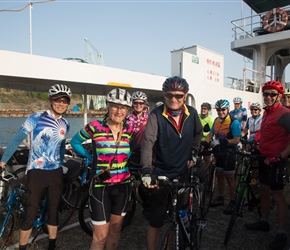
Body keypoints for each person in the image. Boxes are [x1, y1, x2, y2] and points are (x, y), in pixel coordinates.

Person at [0, 84, 72, 250]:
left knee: (53, 213)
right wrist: (2, 162)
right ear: (50, 100)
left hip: (55, 173)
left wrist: (60, 163)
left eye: (64, 101)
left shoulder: (65, 123)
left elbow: (61, 146)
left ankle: (52, 246)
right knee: (29, 215)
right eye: (57, 100)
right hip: (36, 173)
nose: (61, 103)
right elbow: (17, 139)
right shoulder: (36, 117)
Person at [140, 76, 203, 250]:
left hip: (183, 171)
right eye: (169, 96)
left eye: (178, 96)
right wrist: (146, 170)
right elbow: (148, 143)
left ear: (185, 95)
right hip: (161, 173)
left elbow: (198, 134)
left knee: (179, 213)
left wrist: (193, 153)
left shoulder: (192, 114)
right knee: (156, 220)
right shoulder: (156, 115)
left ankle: (177, 239)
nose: (173, 99)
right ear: (164, 95)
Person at [70, 88, 134, 250]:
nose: (119, 111)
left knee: (116, 229)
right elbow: (75, 142)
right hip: (100, 187)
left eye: (123, 108)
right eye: (115, 106)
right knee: (100, 237)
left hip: (123, 186)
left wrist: (123, 161)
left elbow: (131, 149)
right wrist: (90, 157)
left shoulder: (129, 130)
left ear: (127, 110)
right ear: (108, 106)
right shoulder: (95, 127)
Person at [244, 80, 290, 250]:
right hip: (263, 158)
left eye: (272, 94)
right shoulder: (267, 113)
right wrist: (254, 143)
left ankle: (282, 232)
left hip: (276, 161)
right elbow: (264, 133)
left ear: (279, 96)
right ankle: (264, 221)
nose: (268, 97)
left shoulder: (284, 114)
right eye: (266, 94)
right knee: (263, 190)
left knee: (277, 196)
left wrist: (281, 156)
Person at [203, 99, 241, 214]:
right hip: (219, 152)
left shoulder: (233, 122)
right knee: (219, 175)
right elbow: (210, 134)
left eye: (223, 110)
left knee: (229, 177)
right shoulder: (216, 120)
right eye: (218, 110)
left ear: (228, 109)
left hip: (229, 152)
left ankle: (233, 202)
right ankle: (220, 197)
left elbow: (236, 140)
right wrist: (205, 143)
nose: (221, 112)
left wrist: (222, 142)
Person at [126, 91, 150, 217]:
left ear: (145, 104)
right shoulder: (127, 118)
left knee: (145, 180)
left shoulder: (150, 117)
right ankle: (128, 202)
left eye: (141, 103)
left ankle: (147, 204)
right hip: (131, 152)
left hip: (146, 153)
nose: (138, 105)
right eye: (136, 103)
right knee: (128, 179)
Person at [198, 102, 214, 167]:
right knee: (196, 158)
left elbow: (212, 132)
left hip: (206, 141)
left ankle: (207, 173)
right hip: (198, 140)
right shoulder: (198, 116)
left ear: (208, 110)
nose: (203, 110)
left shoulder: (210, 119)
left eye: (205, 109)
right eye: (202, 108)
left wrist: (203, 133)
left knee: (206, 158)